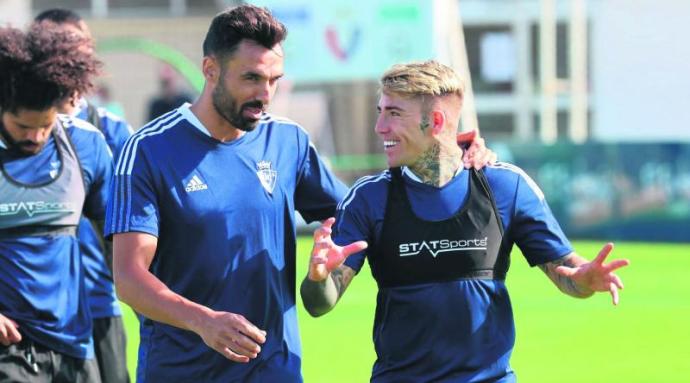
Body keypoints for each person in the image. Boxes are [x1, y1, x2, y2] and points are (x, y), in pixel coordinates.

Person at [106, 5, 493, 382]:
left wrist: (447, 152)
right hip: (181, 372)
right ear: (211, 70)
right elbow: (128, 276)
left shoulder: (286, 140)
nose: (266, 93)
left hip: (276, 369)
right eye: (252, 79)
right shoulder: (147, 151)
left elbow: (369, 211)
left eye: (275, 80)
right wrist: (204, 321)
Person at [300, 60, 631, 383]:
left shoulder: (505, 186)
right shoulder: (368, 199)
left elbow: (567, 275)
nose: (380, 127)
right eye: (381, 112)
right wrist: (319, 277)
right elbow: (319, 303)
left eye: (394, 114)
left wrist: (585, 279)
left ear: (436, 122)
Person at [0, 23, 111, 382]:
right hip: (9, 350)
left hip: (75, 346)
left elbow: (119, 237)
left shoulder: (85, 145)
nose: (35, 137)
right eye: (22, 126)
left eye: (44, 126)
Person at [33, 9, 133, 383]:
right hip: (34, 309)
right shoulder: (18, 132)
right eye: (54, 50)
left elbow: (132, 220)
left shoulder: (111, 131)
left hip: (99, 300)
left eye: (75, 49)